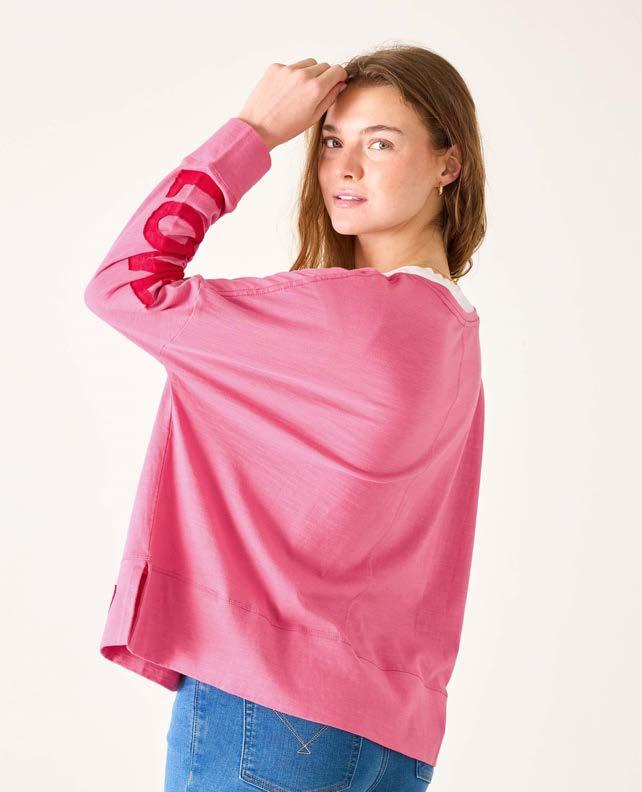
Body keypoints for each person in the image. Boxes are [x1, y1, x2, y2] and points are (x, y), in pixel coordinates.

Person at [84, 44, 486, 791]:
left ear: (448, 163)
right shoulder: (452, 330)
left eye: (380, 144)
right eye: (330, 142)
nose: (345, 167)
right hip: (392, 735)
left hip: (270, 704)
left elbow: (124, 285)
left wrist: (254, 132)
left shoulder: (344, 316)